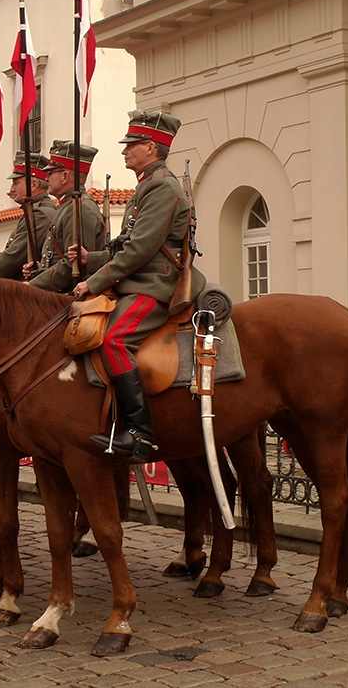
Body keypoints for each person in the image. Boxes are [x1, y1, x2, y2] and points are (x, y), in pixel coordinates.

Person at [72, 110, 203, 462]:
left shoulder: (161, 186)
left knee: (114, 340)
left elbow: (142, 249)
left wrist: (93, 283)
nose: (125, 151)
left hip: (153, 284)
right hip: (137, 279)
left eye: (131, 145)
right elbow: (127, 246)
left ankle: (141, 434)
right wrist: (91, 259)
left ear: (150, 147)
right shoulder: (148, 183)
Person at [28, 140, 106, 292]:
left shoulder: (79, 207)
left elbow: (72, 265)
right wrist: (41, 270)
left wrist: (33, 286)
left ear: (64, 176)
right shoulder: (68, 205)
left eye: (50, 173)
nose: (45, 178)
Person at [0, 152, 56, 281]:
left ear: (33, 185)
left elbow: (13, 259)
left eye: (16, 183)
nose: (11, 189)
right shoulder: (34, 210)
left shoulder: (39, 214)